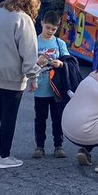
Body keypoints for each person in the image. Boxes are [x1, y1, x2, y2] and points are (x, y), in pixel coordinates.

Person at [0, 0, 40, 169]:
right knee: (9, 116)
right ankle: (4, 156)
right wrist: (33, 76)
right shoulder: (23, 19)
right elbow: (29, 51)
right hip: (11, 76)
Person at [31, 10, 71, 159]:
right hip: (40, 87)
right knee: (40, 119)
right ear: (41, 23)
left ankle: (58, 145)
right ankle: (39, 146)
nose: (50, 31)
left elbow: (69, 62)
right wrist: (37, 62)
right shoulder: (34, 42)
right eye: (47, 27)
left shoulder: (60, 43)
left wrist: (60, 63)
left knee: (57, 118)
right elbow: (27, 63)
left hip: (56, 89)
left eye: (53, 29)